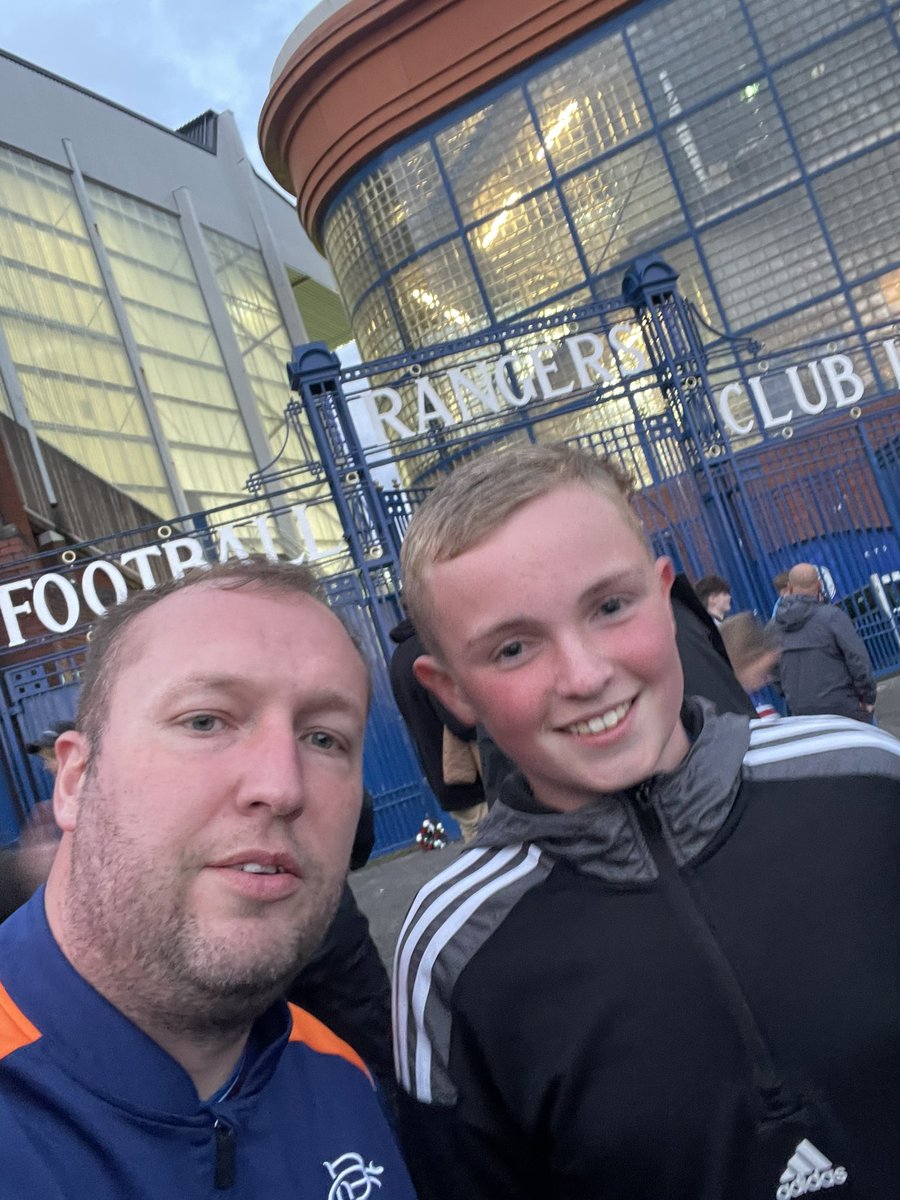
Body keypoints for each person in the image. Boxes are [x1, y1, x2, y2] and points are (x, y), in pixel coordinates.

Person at [392, 443, 900, 1200]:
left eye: (609, 607)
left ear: (666, 598)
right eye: (513, 647)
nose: (586, 675)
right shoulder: (452, 954)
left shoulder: (861, 777)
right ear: (452, 692)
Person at [0, 559, 416, 1198]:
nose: (282, 786)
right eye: (205, 720)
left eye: (325, 738)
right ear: (77, 782)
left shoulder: (340, 1075)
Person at [389, 614, 487, 842]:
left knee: (475, 840)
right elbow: (459, 720)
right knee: (494, 844)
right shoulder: (426, 650)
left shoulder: (398, 658)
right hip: (468, 775)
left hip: (441, 773)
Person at [773, 561, 877, 723]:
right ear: (819, 585)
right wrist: (868, 698)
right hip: (843, 705)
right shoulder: (832, 617)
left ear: (790, 587)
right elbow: (858, 660)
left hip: (802, 712)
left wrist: (789, 696)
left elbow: (773, 671)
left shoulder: (774, 627)